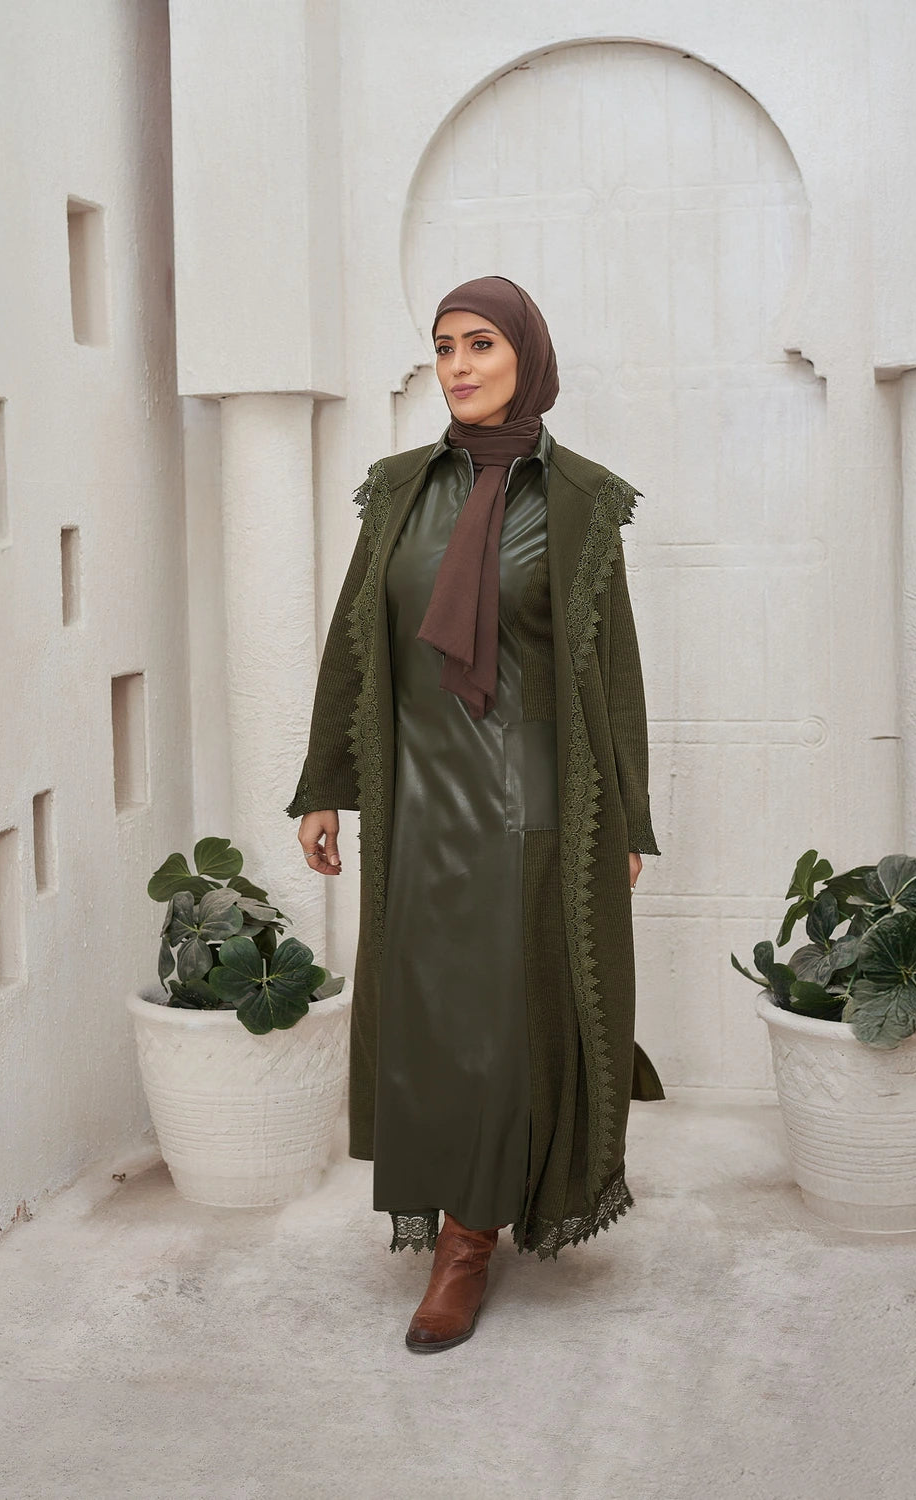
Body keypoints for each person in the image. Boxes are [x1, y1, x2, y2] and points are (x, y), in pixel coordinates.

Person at [285, 275, 665, 1353]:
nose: (457, 365)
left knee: (503, 1021)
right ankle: (458, 1205)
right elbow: (357, 641)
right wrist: (326, 783)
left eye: (482, 345)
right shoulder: (399, 488)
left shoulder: (583, 501)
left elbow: (612, 671)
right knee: (430, 1022)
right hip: (417, 797)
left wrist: (623, 819)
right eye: (444, 345)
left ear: (527, 359)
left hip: (534, 802)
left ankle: (467, 1242)